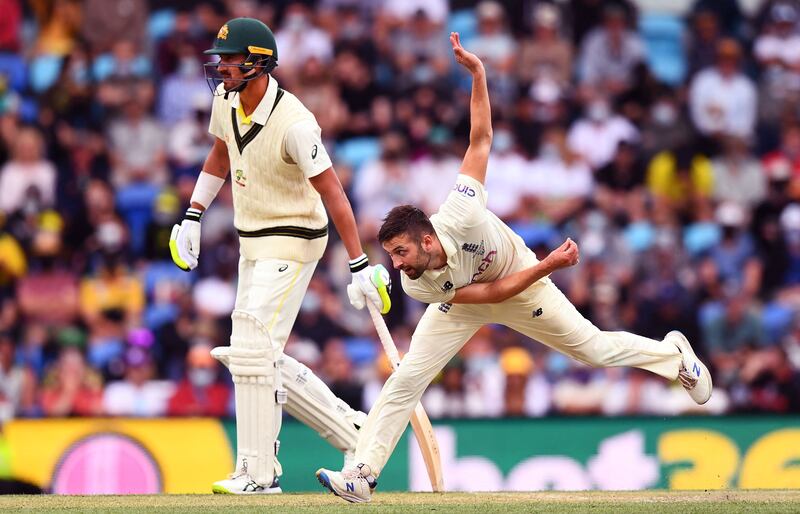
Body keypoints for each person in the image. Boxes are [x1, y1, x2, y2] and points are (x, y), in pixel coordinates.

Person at [315, 32, 712, 503]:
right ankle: (363, 475)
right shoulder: (418, 284)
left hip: (525, 280)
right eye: (392, 255)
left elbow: (480, 139)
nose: (396, 265)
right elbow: (488, 298)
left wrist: (479, 76)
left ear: (427, 238)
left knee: (593, 351)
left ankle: (674, 357)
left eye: (401, 252)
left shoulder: (460, 212)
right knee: (406, 379)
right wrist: (551, 263)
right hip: (471, 297)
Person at [168, 18, 391, 495]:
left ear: (260, 62)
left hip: (295, 236)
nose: (222, 66)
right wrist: (193, 214)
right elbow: (220, 155)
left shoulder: (295, 123)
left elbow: (334, 193)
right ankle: (354, 432)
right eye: (221, 58)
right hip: (253, 238)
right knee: (257, 354)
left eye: (231, 59)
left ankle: (257, 473)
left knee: (249, 347)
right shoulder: (227, 100)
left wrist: (357, 264)